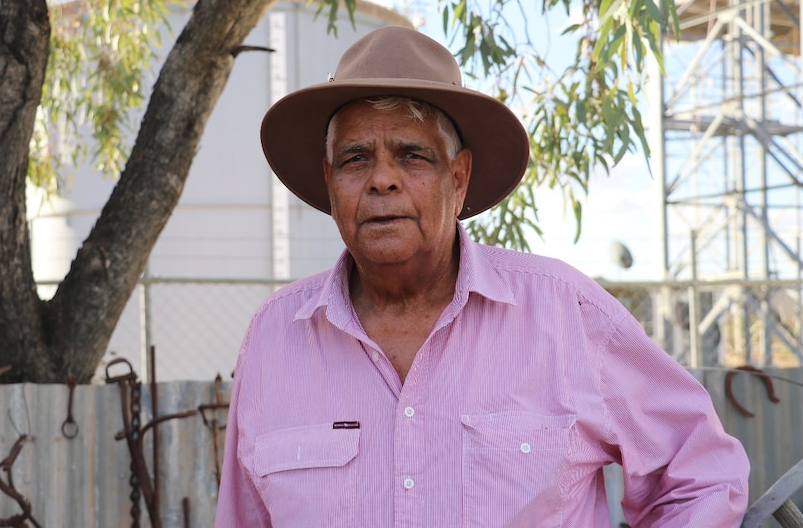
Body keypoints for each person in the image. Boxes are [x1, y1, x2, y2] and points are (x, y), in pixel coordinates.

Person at [214, 26, 749, 527]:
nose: (382, 180)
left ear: (459, 176)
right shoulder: (274, 337)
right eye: (356, 158)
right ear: (330, 181)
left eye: (412, 155)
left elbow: (701, 475)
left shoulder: (566, 314)